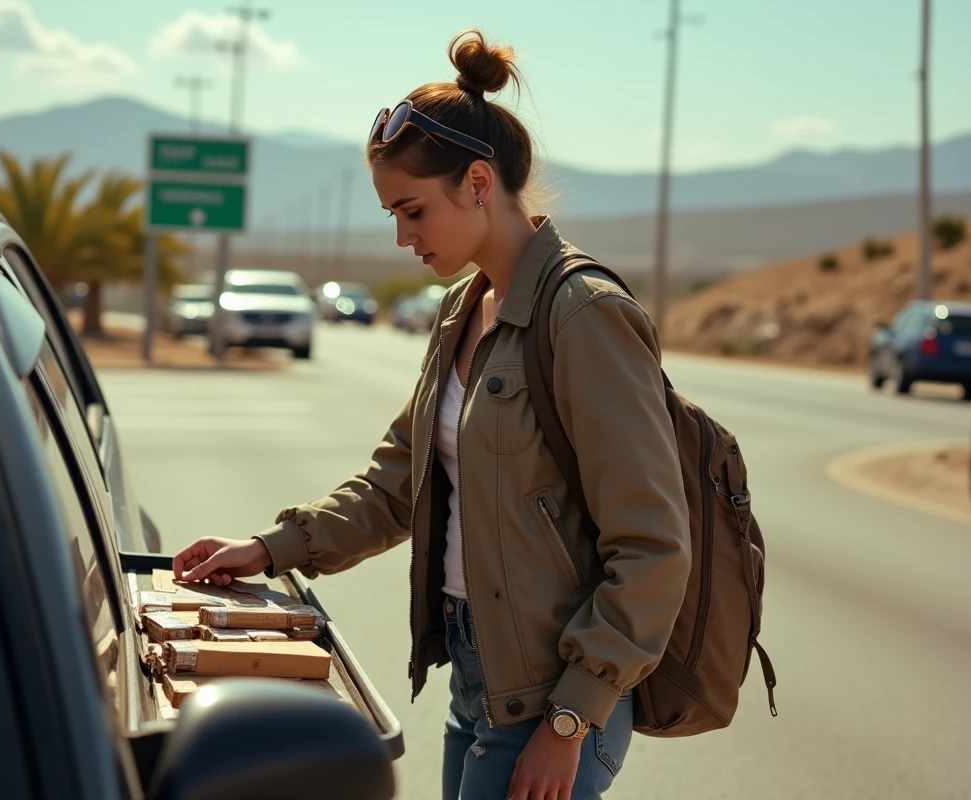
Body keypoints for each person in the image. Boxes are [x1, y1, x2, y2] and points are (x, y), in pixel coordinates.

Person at [172, 28, 692, 800]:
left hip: (551, 702)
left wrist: (571, 723)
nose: (401, 236)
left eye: (412, 210)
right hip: (478, 676)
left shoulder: (583, 315)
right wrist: (272, 547)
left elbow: (653, 545)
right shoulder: (462, 309)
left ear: (479, 184)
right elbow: (397, 485)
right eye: (392, 214)